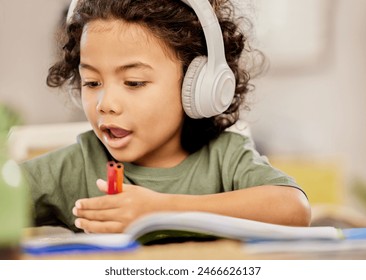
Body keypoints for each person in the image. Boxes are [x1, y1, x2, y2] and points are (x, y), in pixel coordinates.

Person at [20, 0, 311, 234]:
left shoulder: (226, 158)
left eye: (134, 82)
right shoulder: (76, 166)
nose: (105, 104)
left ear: (197, 86)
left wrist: (161, 209)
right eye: (92, 82)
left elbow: (294, 209)